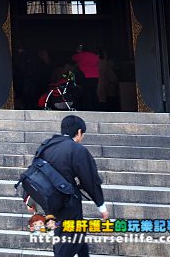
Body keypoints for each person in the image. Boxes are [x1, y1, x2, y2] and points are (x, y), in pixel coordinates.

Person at [37, 115, 109, 257]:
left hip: (50, 201)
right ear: (79, 131)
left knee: (76, 236)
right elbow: (90, 180)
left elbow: (35, 172)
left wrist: (29, 199)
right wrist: (101, 206)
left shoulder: (46, 145)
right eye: (83, 135)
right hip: (69, 203)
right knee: (68, 241)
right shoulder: (76, 149)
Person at [71, 45, 100, 110]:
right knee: (93, 93)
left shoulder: (80, 55)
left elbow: (73, 58)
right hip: (95, 76)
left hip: (85, 76)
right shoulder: (94, 56)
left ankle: (87, 108)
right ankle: (96, 108)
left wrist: (78, 52)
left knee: (85, 93)